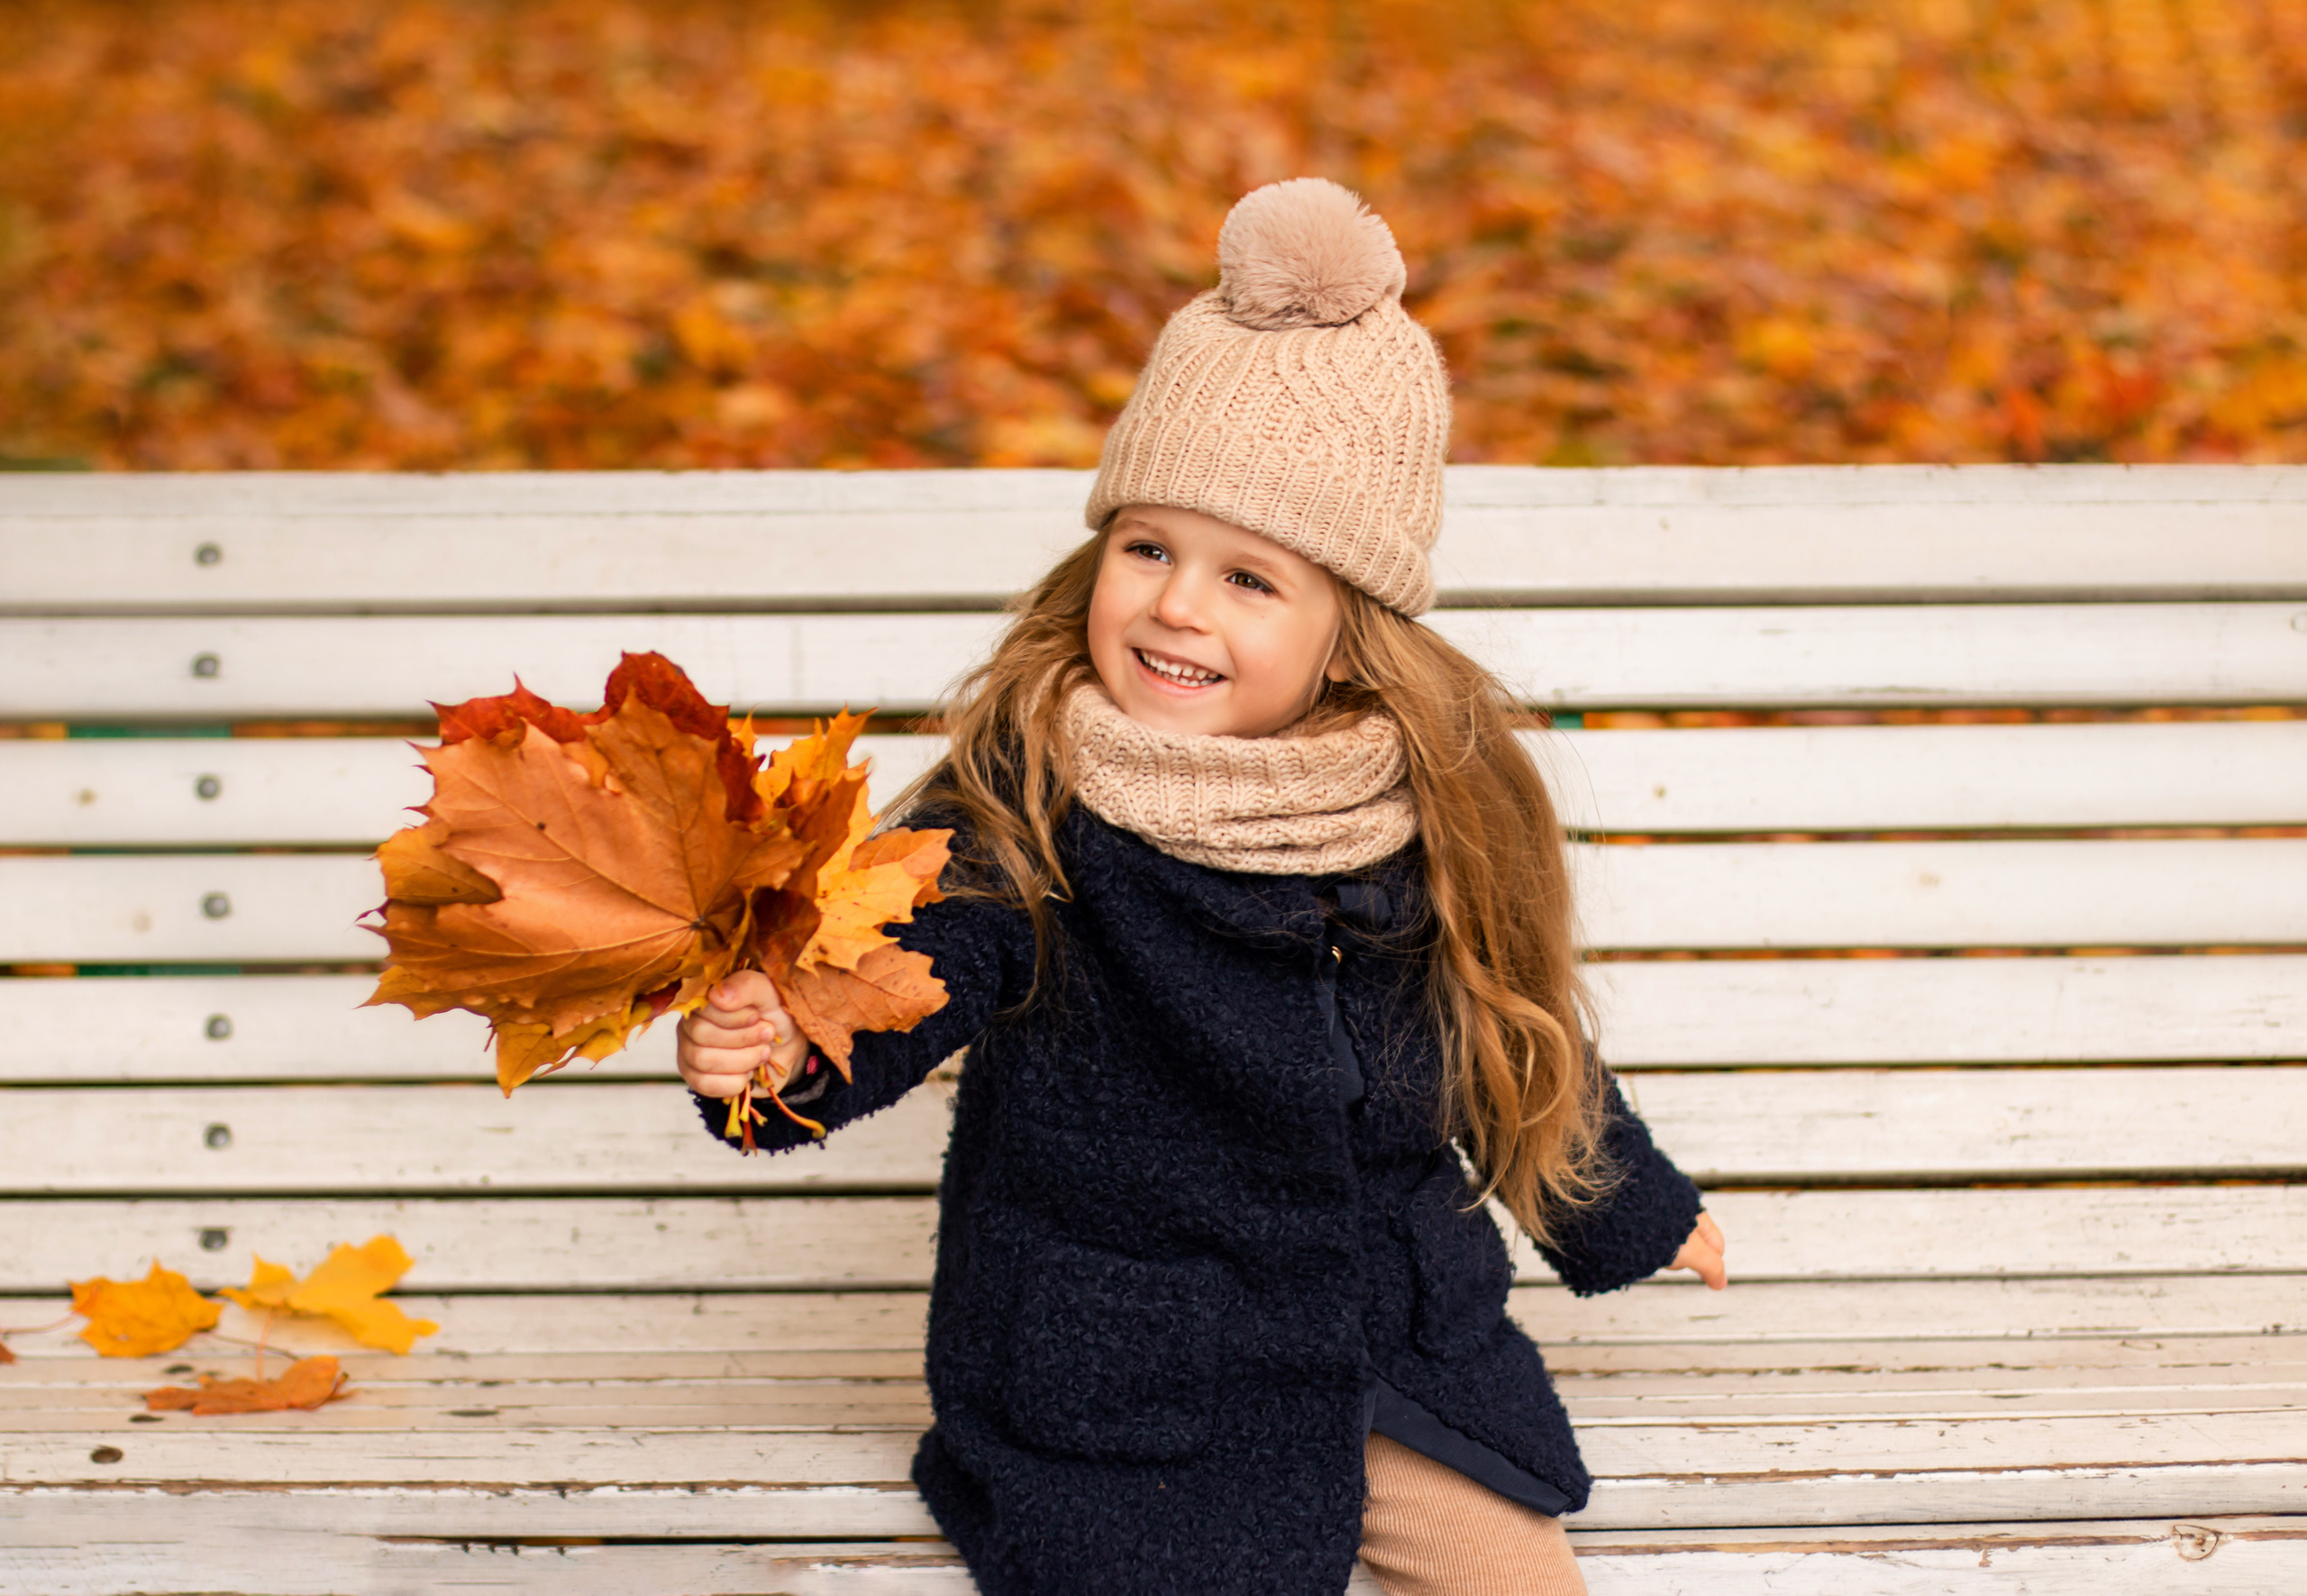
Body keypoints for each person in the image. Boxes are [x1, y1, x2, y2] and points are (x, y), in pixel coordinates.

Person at [678, 177, 1728, 1596]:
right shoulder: (1025, 796)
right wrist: (780, 1044)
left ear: (1348, 639)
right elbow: (905, 963)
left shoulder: (1410, 813)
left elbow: (1502, 1039)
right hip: (1125, 1383)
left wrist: (1633, 1211)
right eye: (1150, 548)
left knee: (1521, 1585)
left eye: (1252, 580)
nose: (1178, 604)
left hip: (1378, 1354)